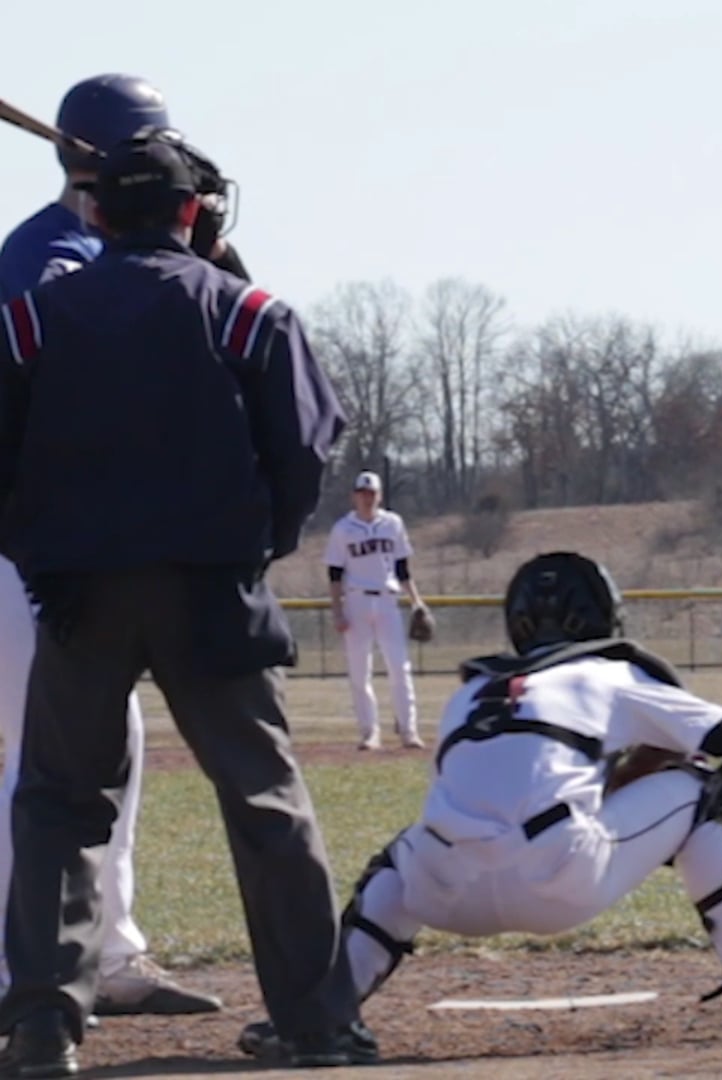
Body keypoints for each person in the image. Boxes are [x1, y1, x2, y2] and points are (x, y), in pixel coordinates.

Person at [0, 132, 371, 1073]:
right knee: (263, 798)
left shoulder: (34, 318)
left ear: (95, 212)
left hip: (80, 594)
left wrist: (38, 554)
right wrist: (259, 543)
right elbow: (304, 448)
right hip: (211, 590)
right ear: (191, 212)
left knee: (59, 805)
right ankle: (317, 1024)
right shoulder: (246, 311)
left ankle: (42, 1025)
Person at [238, 551, 722, 1066]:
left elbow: (496, 785)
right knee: (702, 789)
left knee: (404, 855)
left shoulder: (472, 691)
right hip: (558, 878)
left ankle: (322, 1018)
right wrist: (662, 824)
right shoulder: (611, 672)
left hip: (444, 890)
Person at [0, 74, 223, 1019]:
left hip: (75, 542)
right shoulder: (46, 252)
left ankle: (110, 952)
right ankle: (21, 970)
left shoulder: (98, 244)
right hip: (26, 545)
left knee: (107, 740)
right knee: (46, 752)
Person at [325, 471, 429, 750]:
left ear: (379, 496)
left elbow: (402, 569)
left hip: (387, 600)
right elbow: (334, 573)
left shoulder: (393, 523)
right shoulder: (343, 529)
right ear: (354, 496)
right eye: (362, 493)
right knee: (360, 672)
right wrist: (337, 611)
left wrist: (416, 601)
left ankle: (408, 730)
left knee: (399, 667)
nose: (367, 498)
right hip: (356, 601)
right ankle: (370, 732)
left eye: (371, 493)